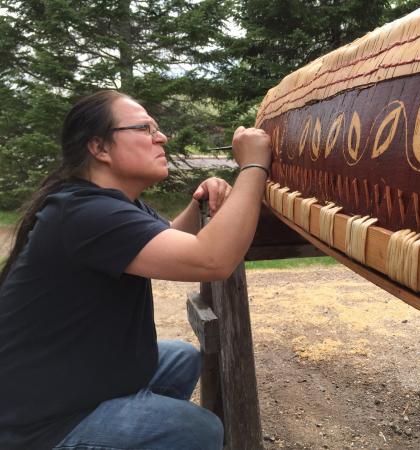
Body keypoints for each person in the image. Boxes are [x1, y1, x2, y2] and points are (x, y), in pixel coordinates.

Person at [0, 90, 272, 450]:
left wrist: (199, 201)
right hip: (39, 423)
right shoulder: (87, 214)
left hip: (66, 378)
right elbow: (213, 260)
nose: (162, 137)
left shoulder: (112, 204)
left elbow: (167, 239)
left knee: (180, 357)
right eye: (145, 128)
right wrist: (254, 166)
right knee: (197, 429)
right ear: (100, 148)